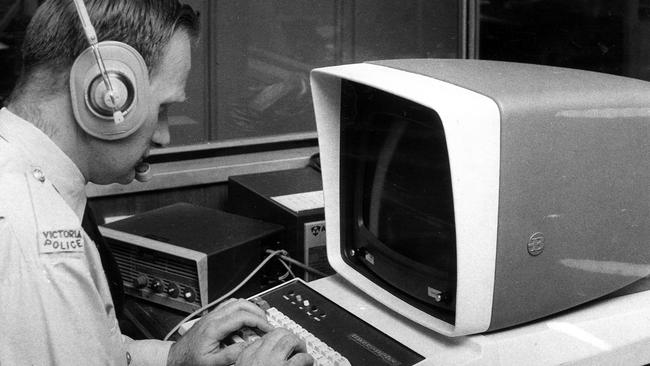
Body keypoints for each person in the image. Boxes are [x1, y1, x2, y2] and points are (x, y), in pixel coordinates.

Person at [0, 1, 313, 365]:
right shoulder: (39, 248)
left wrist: (175, 357)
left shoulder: (29, 183)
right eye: (163, 108)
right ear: (106, 92)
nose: (164, 136)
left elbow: (101, 355)